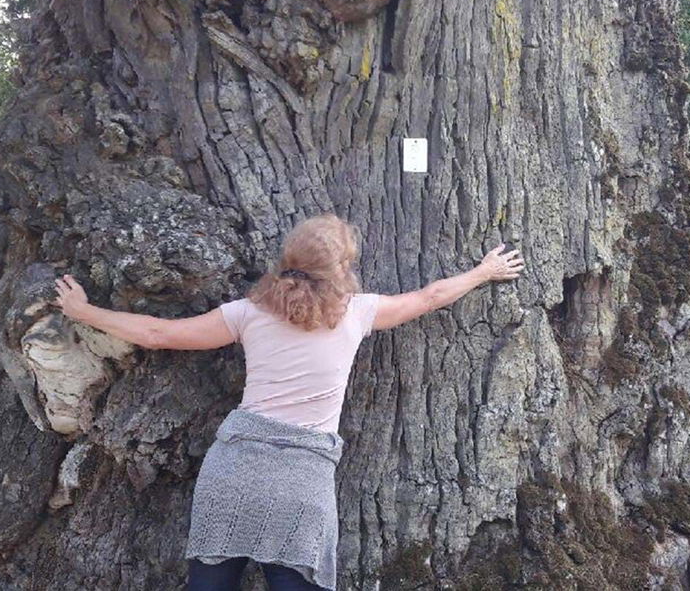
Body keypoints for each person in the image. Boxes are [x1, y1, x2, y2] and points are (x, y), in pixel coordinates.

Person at [52, 213, 524, 591]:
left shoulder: (247, 313)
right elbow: (430, 296)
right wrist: (484, 272)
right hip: (300, 480)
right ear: (340, 270)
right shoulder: (358, 313)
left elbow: (158, 334)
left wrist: (83, 311)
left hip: (233, 469)